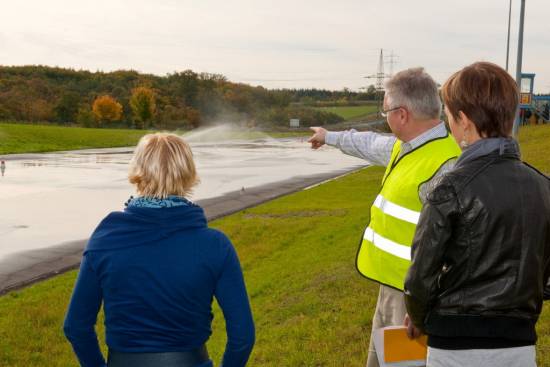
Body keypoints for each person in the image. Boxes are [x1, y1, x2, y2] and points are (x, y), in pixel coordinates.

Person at [308, 68, 461, 367]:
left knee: (403, 363)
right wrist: (329, 137)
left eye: (386, 111)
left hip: (413, 298)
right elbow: (367, 143)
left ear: (402, 114)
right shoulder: (406, 148)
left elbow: (454, 243)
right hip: (392, 288)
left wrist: (421, 306)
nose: (384, 117)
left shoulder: (446, 164)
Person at [64, 133, 255, 367]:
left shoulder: (106, 237)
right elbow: (243, 335)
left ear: (138, 172)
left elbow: (76, 326)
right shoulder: (215, 245)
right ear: (189, 174)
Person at [404, 61, 550, 367]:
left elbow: (420, 277)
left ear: (464, 119)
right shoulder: (543, 187)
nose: (449, 126)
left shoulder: (449, 189)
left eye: (448, 118)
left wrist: (419, 316)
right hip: (518, 345)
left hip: (454, 347)